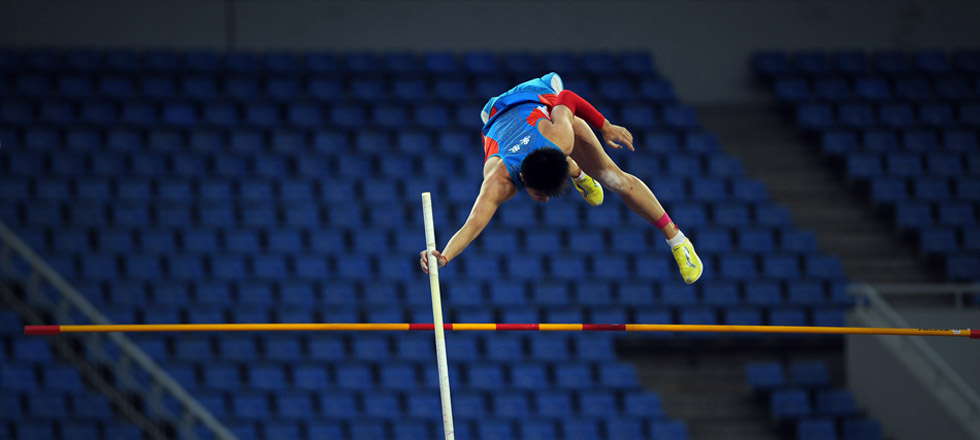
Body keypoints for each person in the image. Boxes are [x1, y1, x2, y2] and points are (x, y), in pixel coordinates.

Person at [419, 72, 703, 284]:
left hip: (540, 91)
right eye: (541, 194)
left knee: (614, 179)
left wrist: (605, 126)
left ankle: (678, 240)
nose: (543, 201)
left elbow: (567, 99)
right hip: (494, 112)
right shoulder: (496, 179)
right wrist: (443, 256)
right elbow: (473, 224)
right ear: (523, 180)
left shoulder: (559, 140)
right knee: (578, 161)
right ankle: (578, 173)